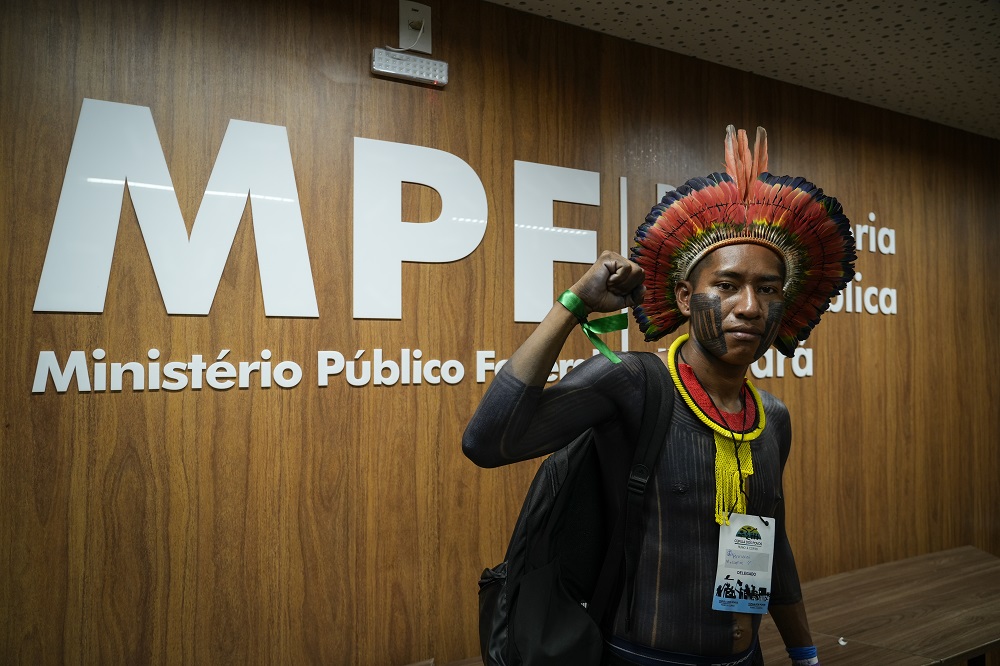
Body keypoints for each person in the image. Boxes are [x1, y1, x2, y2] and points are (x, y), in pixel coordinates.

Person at [463, 126, 855, 666]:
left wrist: (804, 653)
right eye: (727, 285)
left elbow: (769, 540)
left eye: (768, 289)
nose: (750, 306)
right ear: (684, 297)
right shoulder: (633, 384)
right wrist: (573, 304)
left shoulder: (771, 418)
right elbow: (487, 441)